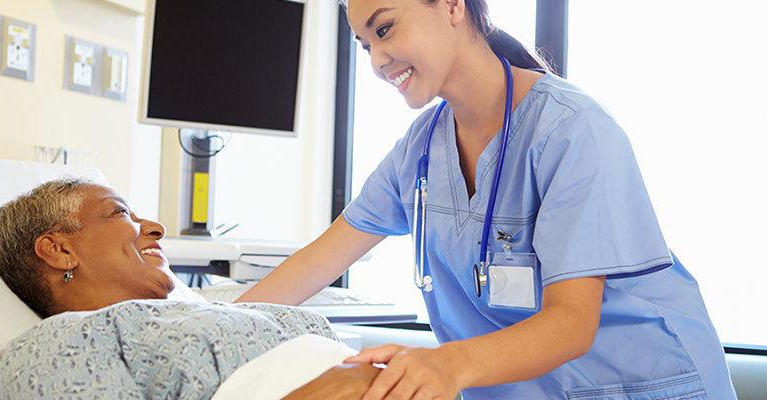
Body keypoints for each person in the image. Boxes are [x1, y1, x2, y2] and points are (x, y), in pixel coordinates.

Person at [236, 0, 737, 399]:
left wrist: (446, 364)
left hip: (647, 386)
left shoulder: (571, 130)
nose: (376, 61)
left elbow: (570, 325)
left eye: (383, 30)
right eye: (364, 45)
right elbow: (318, 260)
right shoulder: (421, 150)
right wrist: (220, 324)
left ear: (452, 5)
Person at [0, 179, 381, 399]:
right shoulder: (55, 347)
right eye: (120, 213)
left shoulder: (216, 313)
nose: (156, 228)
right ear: (59, 249)